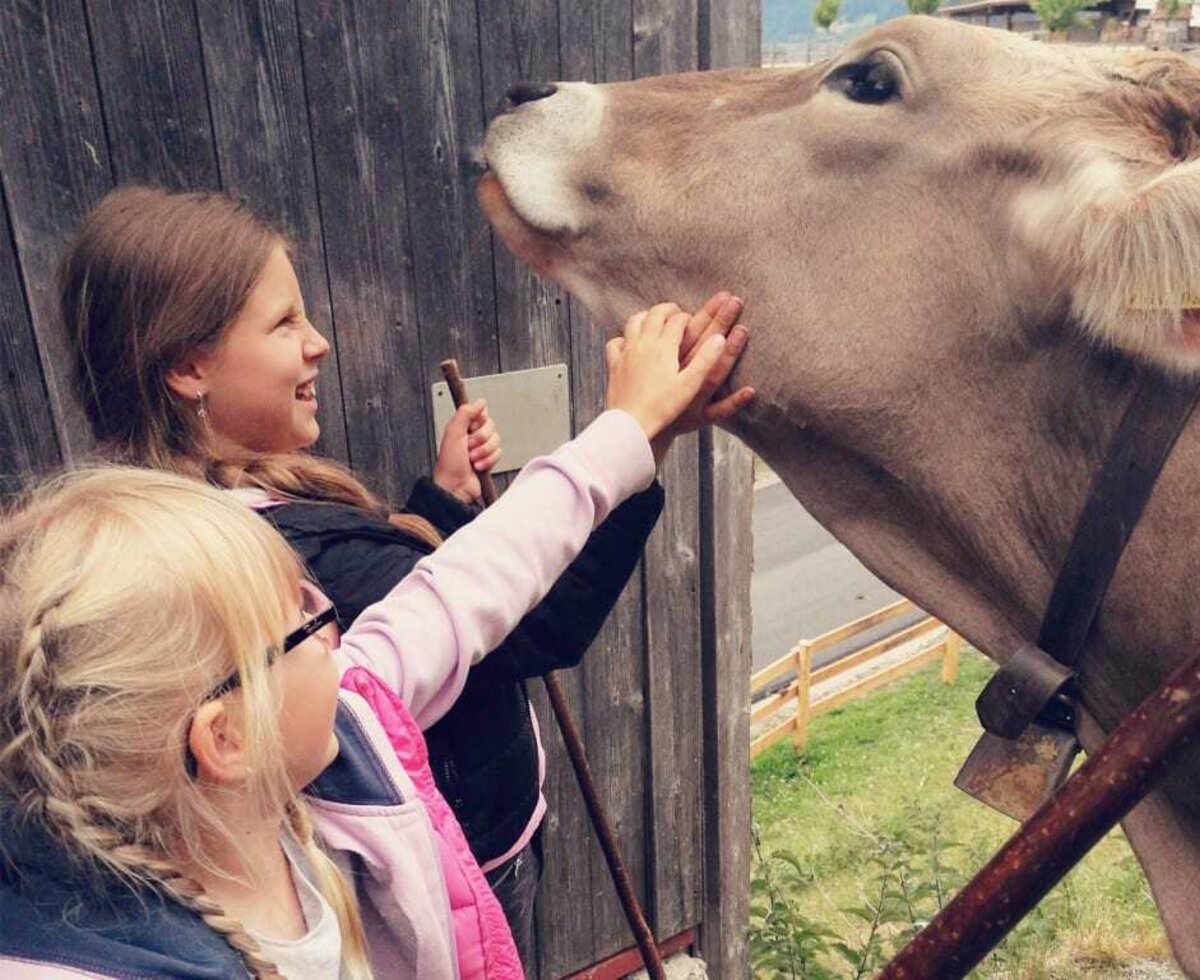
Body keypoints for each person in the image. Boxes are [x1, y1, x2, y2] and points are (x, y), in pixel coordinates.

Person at [60, 186, 753, 966]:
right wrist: (630, 430)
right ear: (189, 367)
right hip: (466, 865)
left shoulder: (213, 509)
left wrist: (439, 499)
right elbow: (531, 619)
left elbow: (408, 589)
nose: (318, 342)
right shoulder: (278, 561)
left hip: (473, 834)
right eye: (285, 323)